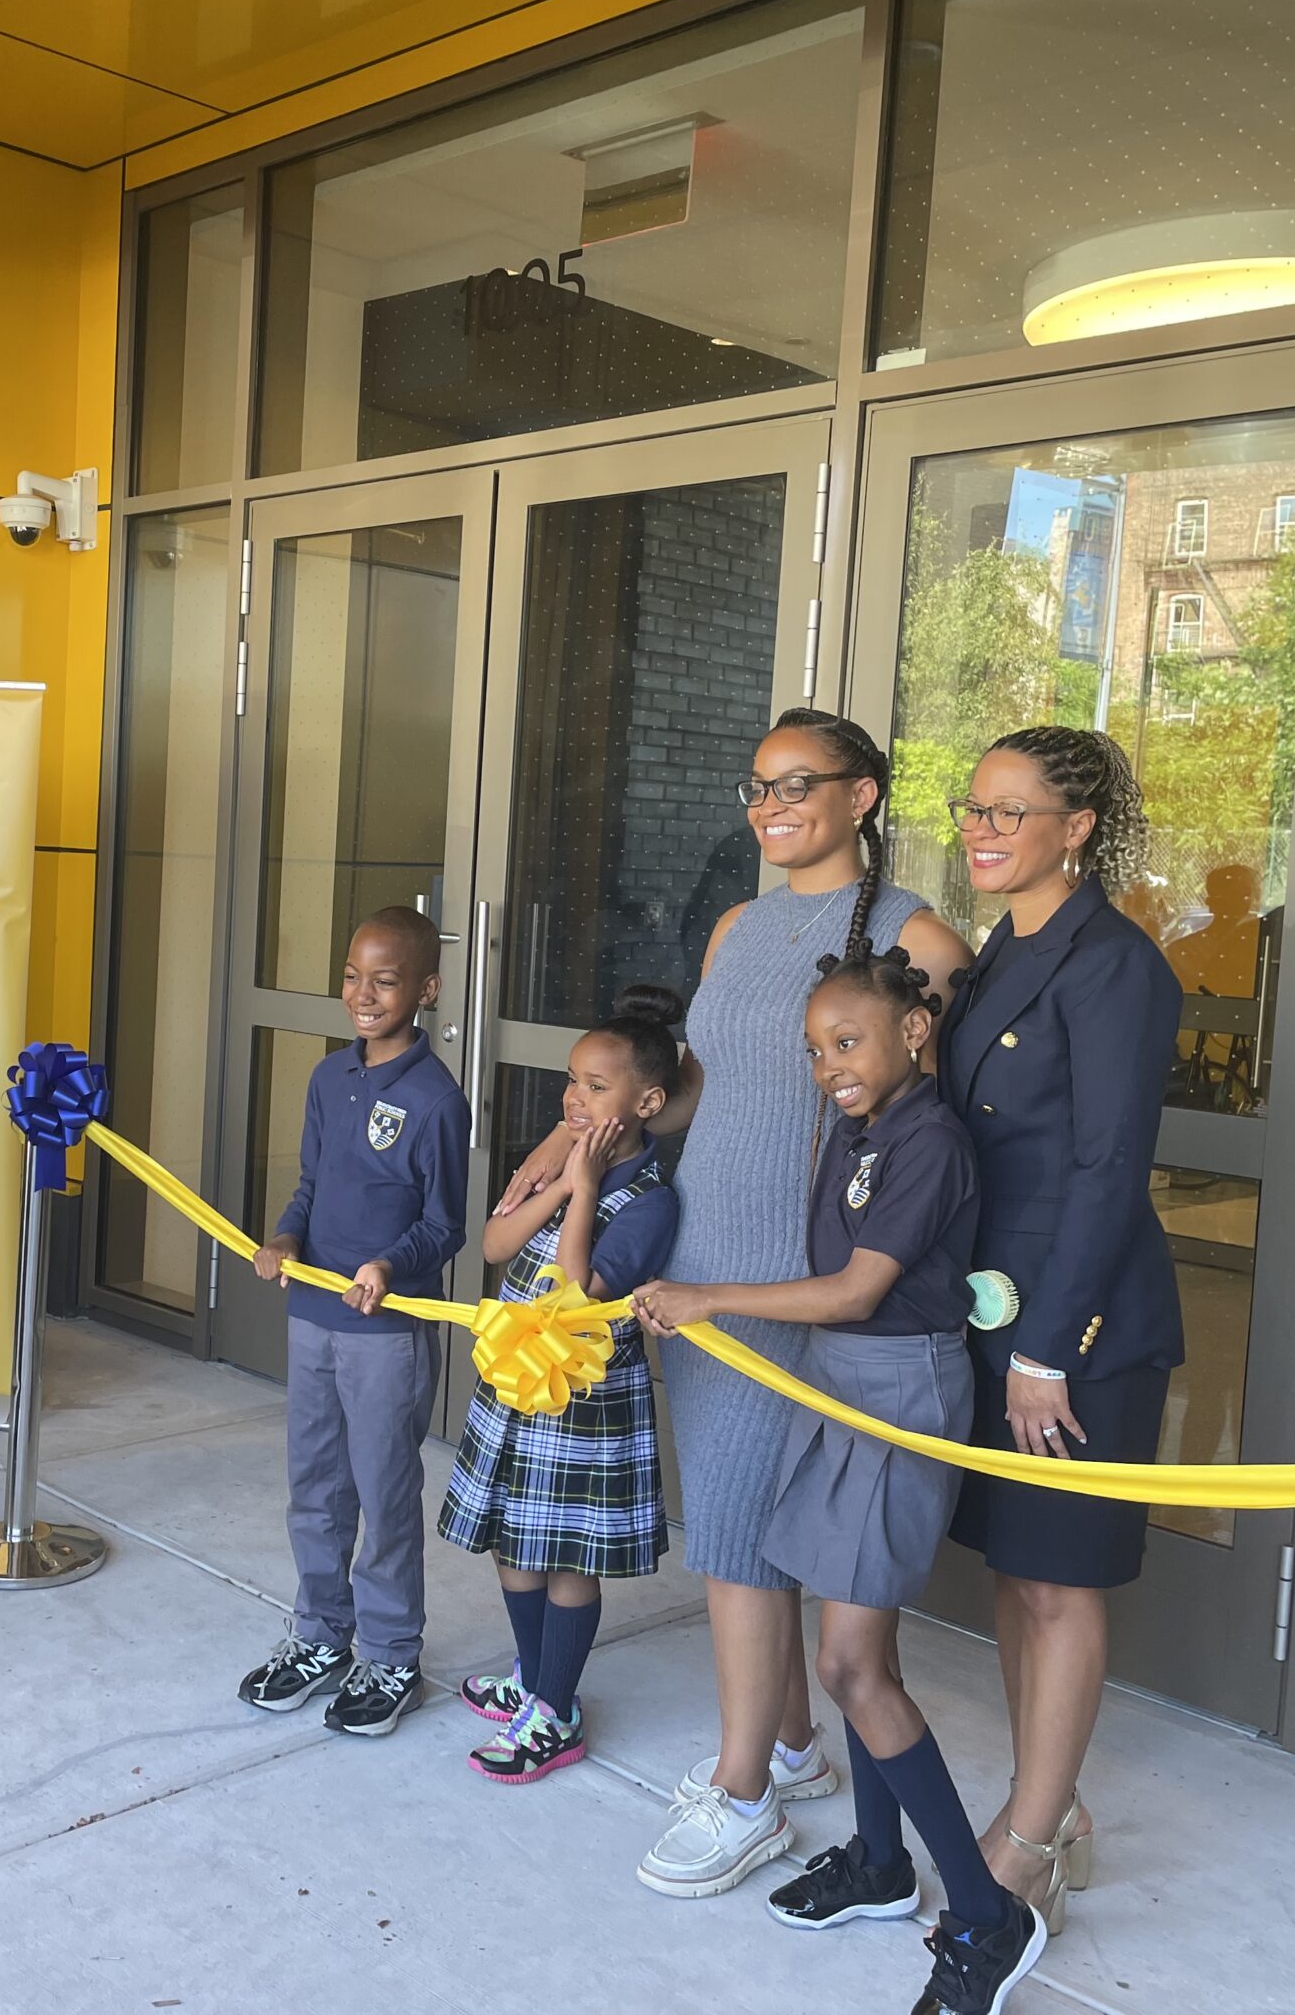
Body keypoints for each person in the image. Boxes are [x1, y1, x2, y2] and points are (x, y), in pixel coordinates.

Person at [499, 708, 969, 1898]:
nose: (767, 806)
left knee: (739, 1536)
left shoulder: (914, 932)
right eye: (754, 785)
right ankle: (796, 1748)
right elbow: (697, 1092)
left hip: (797, 1275)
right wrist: (578, 1160)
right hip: (700, 1261)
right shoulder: (735, 926)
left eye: (795, 784)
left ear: (861, 796)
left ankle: (743, 1790)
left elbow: (935, 1117)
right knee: (735, 1521)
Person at [634, 944, 1047, 2015]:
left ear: (913, 1033)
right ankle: (876, 1861)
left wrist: (704, 1297)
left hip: (894, 1394)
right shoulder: (859, 1132)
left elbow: (857, 1291)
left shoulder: (929, 1143)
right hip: (837, 1389)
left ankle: (985, 1915)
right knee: (851, 1637)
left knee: (851, 1664)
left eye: (846, 1042)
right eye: (815, 1051)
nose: (828, 1066)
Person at [936, 725, 1182, 1934]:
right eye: (971, 810)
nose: (979, 832)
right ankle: (1058, 1804)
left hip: (1074, 1330)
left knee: (1057, 1582)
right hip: (991, 1312)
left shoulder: (1114, 964)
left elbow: (1103, 1168)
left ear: (1075, 827)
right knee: (1012, 1572)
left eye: (1005, 812)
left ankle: (1027, 1844)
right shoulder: (1003, 947)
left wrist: (1047, 1353)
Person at [439, 986, 685, 1785]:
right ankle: (532, 1673)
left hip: (584, 1405)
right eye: (572, 1081)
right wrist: (556, 1181)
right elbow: (495, 1241)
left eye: (596, 1087)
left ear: (647, 1102)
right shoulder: (565, 1168)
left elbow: (579, 1286)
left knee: (567, 1555)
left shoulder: (648, 1200)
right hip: (518, 1389)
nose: (575, 1099)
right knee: (515, 1543)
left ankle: (556, 1706)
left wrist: (583, 1189)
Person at [235, 906, 470, 1737]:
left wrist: (387, 1266)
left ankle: (392, 1654)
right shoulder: (329, 1080)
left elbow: (445, 1225)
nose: (363, 995)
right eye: (351, 977)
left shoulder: (437, 1099)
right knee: (317, 1487)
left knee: (382, 1493)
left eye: (385, 979)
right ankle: (321, 1636)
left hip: (384, 1334)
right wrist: (284, 1236)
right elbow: (309, 1183)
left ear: (425, 989)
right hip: (312, 1315)